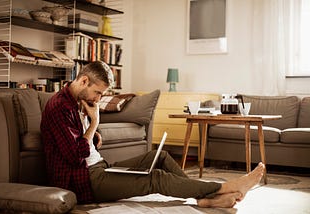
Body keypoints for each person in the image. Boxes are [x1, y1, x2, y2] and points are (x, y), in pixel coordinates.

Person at [41, 61, 265, 208]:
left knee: (161, 157)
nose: (99, 99)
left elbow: (82, 142)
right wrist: (94, 123)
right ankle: (224, 187)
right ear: (83, 81)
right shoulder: (59, 107)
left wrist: (94, 134)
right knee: (156, 179)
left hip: (99, 167)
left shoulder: (79, 102)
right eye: (98, 92)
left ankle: (204, 199)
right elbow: (74, 156)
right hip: (85, 182)